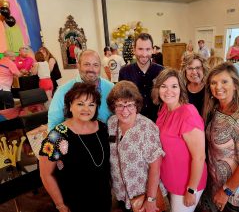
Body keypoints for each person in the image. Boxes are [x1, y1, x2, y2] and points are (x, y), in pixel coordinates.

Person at [39, 83, 111, 212]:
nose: (86, 109)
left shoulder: (103, 128)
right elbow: (46, 175)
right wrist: (60, 205)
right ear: (70, 105)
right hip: (74, 202)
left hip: (103, 199)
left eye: (91, 104)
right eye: (80, 104)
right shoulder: (58, 135)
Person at [202, 63, 239, 212]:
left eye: (224, 81)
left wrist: (226, 191)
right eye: (213, 83)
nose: (218, 86)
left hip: (233, 193)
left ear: (235, 84)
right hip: (215, 184)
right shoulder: (216, 109)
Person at [152, 68, 207, 212]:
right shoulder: (165, 108)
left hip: (186, 183)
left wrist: (191, 190)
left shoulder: (188, 114)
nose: (168, 91)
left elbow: (200, 157)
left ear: (181, 89)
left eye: (174, 86)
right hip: (171, 178)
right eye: (163, 86)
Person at [107, 80, 165, 212]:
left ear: (137, 105)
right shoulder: (111, 123)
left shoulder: (147, 127)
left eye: (130, 105)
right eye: (120, 105)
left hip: (142, 195)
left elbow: (155, 168)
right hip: (120, 193)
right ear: (113, 106)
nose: (125, 110)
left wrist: (151, 199)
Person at [48, 49, 114, 131]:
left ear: (100, 67)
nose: (91, 69)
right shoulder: (63, 91)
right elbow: (53, 125)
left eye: (96, 65)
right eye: (87, 64)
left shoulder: (111, 88)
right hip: (74, 141)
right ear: (78, 66)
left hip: (106, 138)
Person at [119, 33, 164, 122]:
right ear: (134, 50)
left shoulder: (161, 72)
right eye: (140, 49)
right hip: (133, 123)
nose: (144, 54)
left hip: (158, 122)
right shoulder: (124, 72)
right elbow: (121, 100)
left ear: (152, 50)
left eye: (148, 49)